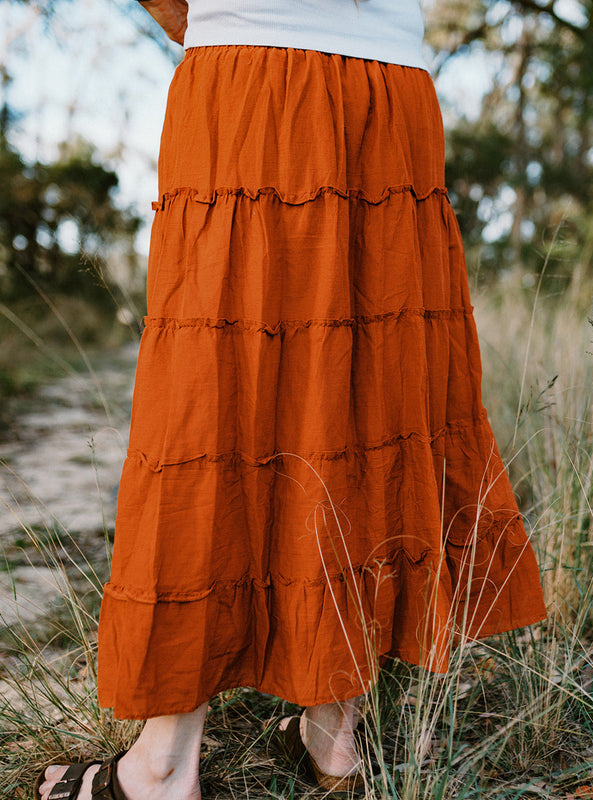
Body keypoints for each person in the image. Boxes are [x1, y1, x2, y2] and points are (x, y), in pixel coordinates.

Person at [35, 1, 547, 798]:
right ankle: (333, 730)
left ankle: (165, 763)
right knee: (364, 392)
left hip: (248, 74)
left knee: (215, 397)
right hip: (392, 90)